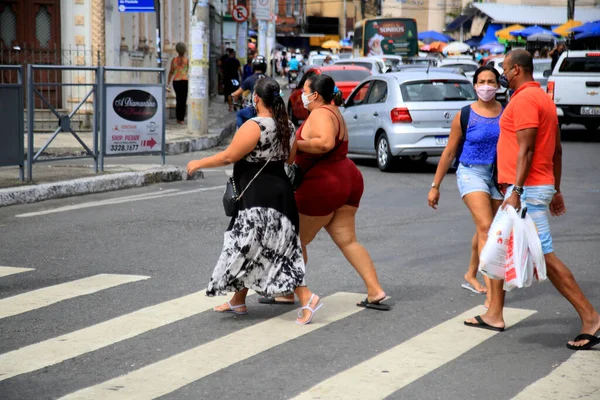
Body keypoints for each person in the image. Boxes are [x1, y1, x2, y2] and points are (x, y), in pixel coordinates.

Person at [464, 49, 600, 351]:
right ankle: (494, 313)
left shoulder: (525, 100)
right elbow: (557, 151)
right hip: (536, 186)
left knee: (546, 258)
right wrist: (557, 189)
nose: (501, 76)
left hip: (524, 190)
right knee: (497, 244)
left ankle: (590, 317)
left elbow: (526, 149)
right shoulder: (544, 100)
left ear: (515, 70)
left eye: (504, 69)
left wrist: (516, 190)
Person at [186, 77, 322, 325]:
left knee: (255, 249)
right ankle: (238, 300)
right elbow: (290, 161)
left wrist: (198, 162)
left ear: (256, 98)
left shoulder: (254, 126)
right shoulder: (288, 126)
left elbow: (229, 157)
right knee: (260, 249)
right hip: (282, 197)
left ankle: (307, 297)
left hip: (258, 200)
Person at [259, 74, 389, 310]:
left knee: (292, 241)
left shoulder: (320, 113)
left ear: (315, 94)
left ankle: (288, 292)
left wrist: (292, 143)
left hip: (323, 183)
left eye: (305, 91)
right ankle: (375, 290)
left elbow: (325, 143)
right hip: (347, 178)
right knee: (348, 241)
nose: (303, 96)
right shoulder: (334, 111)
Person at [428, 66, 504, 307]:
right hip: (471, 172)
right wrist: (435, 185)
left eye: (491, 81)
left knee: (487, 229)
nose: (486, 86)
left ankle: (470, 273)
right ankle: (492, 293)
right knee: (485, 226)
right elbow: (450, 151)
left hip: (499, 175)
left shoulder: (507, 111)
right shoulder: (465, 114)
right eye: (481, 81)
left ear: (498, 85)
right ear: (474, 85)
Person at [231, 55, 267, 128]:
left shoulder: (250, 79)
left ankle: (241, 133)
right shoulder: (269, 79)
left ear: (253, 66)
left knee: (239, 114)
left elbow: (236, 94)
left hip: (255, 110)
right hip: (268, 110)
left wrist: (233, 95)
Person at [168, 42, 189, 125]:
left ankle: (178, 118)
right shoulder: (187, 61)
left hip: (176, 81)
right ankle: (181, 118)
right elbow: (188, 71)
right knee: (183, 100)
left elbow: (171, 72)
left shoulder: (174, 60)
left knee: (178, 99)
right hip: (184, 80)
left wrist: (168, 83)